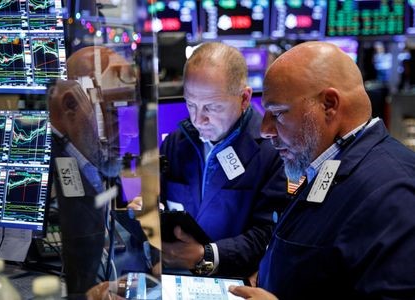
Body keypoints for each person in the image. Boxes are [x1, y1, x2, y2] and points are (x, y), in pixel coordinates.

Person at [229, 41, 415, 299]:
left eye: (278, 113)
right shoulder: (329, 164)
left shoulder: (394, 194)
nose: (265, 129)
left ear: (329, 104)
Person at [160, 42, 289, 277]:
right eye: (191, 104)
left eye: (212, 107)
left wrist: (206, 255)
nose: (198, 120)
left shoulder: (273, 151)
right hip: (176, 275)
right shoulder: (175, 142)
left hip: (234, 282)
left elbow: (268, 233)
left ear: (244, 99)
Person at [48, 46, 139, 298]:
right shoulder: (41, 171)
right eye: (112, 111)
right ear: (70, 105)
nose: (129, 130)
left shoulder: (91, 158)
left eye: (129, 110)